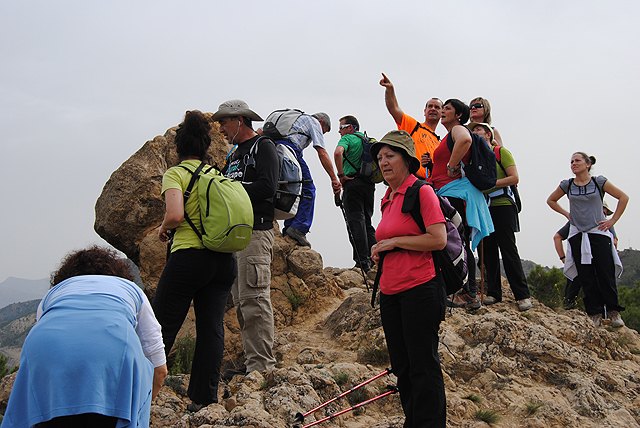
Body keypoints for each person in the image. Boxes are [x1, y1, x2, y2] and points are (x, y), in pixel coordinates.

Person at [2, 246, 167, 427]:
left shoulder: (54, 293)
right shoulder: (132, 290)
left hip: (44, 346)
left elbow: (50, 336)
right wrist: (139, 406)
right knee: (140, 364)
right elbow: (159, 369)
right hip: (115, 349)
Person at [154, 110, 237, 410]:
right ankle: (203, 398)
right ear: (205, 145)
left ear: (179, 146)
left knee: (160, 327)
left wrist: (163, 227)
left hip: (189, 257)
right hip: (223, 260)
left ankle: (141, 390)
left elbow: (176, 215)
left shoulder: (176, 174)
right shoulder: (217, 174)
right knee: (212, 327)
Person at [370, 130, 447, 427]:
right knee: (402, 367)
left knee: (423, 365)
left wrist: (395, 242)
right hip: (391, 292)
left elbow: (437, 239)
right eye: (380, 157)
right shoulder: (387, 198)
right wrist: (381, 249)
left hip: (420, 288)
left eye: (390, 156)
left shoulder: (422, 191)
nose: (384, 162)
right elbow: (391, 237)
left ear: (406, 159)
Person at [214, 100, 279, 375]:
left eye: (223, 122)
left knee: (255, 299)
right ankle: (254, 362)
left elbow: (268, 187)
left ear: (239, 120)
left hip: (256, 232)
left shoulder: (263, 146)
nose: (220, 128)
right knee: (242, 303)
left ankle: (262, 368)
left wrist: (230, 188)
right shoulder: (233, 155)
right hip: (236, 235)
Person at [547, 152, 628, 327]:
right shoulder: (567, 185)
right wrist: (566, 214)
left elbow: (623, 197)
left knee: (605, 273)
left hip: (598, 232)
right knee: (586, 276)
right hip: (578, 234)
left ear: (588, 164)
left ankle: (613, 312)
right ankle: (594, 313)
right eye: (571, 161)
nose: (573, 164)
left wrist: (612, 221)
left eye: (577, 160)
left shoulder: (599, 182)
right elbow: (551, 200)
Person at [428, 100, 494, 309]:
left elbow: (465, 140)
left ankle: (469, 293)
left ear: (458, 115)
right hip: (451, 192)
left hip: (455, 193)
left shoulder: (458, 129)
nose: (442, 111)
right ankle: (464, 290)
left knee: (458, 241)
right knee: (457, 241)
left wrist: (451, 165)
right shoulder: (449, 135)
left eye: (447, 108)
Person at [470, 123, 532, 311]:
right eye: (472, 130)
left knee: (508, 249)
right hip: (484, 207)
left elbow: (514, 178)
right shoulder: (474, 158)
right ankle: (494, 293)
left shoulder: (500, 152)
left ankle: (522, 295)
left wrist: (490, 183)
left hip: (503, 204)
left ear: (488, 134)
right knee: (488, 250)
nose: (474, 132)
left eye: (478, 130)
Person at [273, 111, 341, 247]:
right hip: (290, 150)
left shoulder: (292, 120)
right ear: (321, 122)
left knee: (290, 187)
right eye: (324, 131)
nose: (321, 133)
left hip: (273, 150)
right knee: (308, 189)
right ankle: (298, 228)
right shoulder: (313, 122)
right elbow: (322, 152)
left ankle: (289, 227)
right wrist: (334, 178)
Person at [554, 202, 618, 309]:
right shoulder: (602, 223)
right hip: (588, 260)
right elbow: (614, 242)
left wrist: (564, 259)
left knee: (579, 286)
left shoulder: (580, 221)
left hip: (584, 260)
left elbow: (614, 241)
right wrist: (563, 258)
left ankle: (575, 307)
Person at [333, 114, 377, 271]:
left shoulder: (348, 139)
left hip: (352, 183)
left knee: (355, 221)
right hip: (369, 185)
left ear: (350, 128)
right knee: (367, 222)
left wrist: (340, 175)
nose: (339, 131)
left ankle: (362, 261)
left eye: (341, 127)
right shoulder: (368, 141)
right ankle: (375, 259)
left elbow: (338, 153)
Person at [379, 72, 442, 180]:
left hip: (432, 184)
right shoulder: (414, 126)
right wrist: (390, 89)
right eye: (430, 106)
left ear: (442, 113)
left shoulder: (439, 142)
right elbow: (394, 109)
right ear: (424, 111)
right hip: (413, 180)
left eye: (437, 107)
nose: (433, 109)